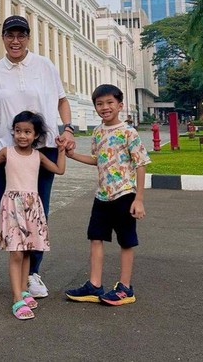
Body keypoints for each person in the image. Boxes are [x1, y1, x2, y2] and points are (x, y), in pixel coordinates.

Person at [0, 15, 75, 300]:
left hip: (44, 148)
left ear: (28, 38)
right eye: (10, 35)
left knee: (38, 214)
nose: (15, 41)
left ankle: (32, 273)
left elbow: (62, 100)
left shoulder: (44, 65)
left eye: (21, 35)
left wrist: (68, 129)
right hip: (8, 151)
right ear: (3, 38)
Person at [0, 111, 65, 319]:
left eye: (27, 132)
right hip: (12, 207)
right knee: (16, 252)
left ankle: (24, 290)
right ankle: (17, 298)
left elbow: (59, 170)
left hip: (32, 207)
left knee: (27, 250)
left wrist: (61, 150)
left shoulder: (38, 156)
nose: (22, 136)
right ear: (13, 132)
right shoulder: (7, 152)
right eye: (18, 131)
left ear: (36, 135)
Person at [65, 84, 151, 305]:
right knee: (95, 237)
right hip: (102, 196)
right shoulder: (97, 132)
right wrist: (73, 155)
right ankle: (94, 286)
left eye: (110, 103)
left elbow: (141, 164)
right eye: (100, 104)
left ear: (120, 105)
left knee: (126, 241)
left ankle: (125, 288)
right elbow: (98, 160)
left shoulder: (128, 132)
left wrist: (139, 199)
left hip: (124, 195)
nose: (105, 107)